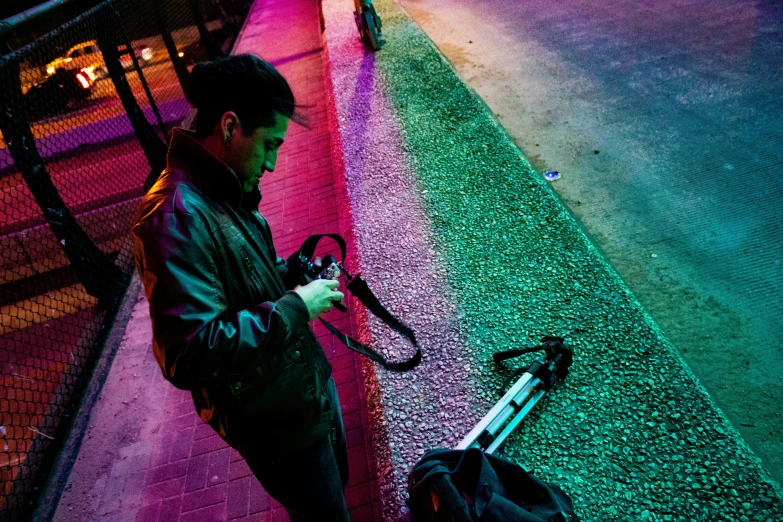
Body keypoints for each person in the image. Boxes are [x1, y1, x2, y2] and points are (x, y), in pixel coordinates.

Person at [130, 54, 350, 521]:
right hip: (277, 423)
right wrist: (295, 307)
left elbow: (241, 281)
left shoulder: (219, 186)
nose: (271, 164)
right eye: (269, 144)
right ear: (230, 127)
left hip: (299, 390)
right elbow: (188, 352)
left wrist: (293, 277)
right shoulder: (174, 216)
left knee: (335, 496)